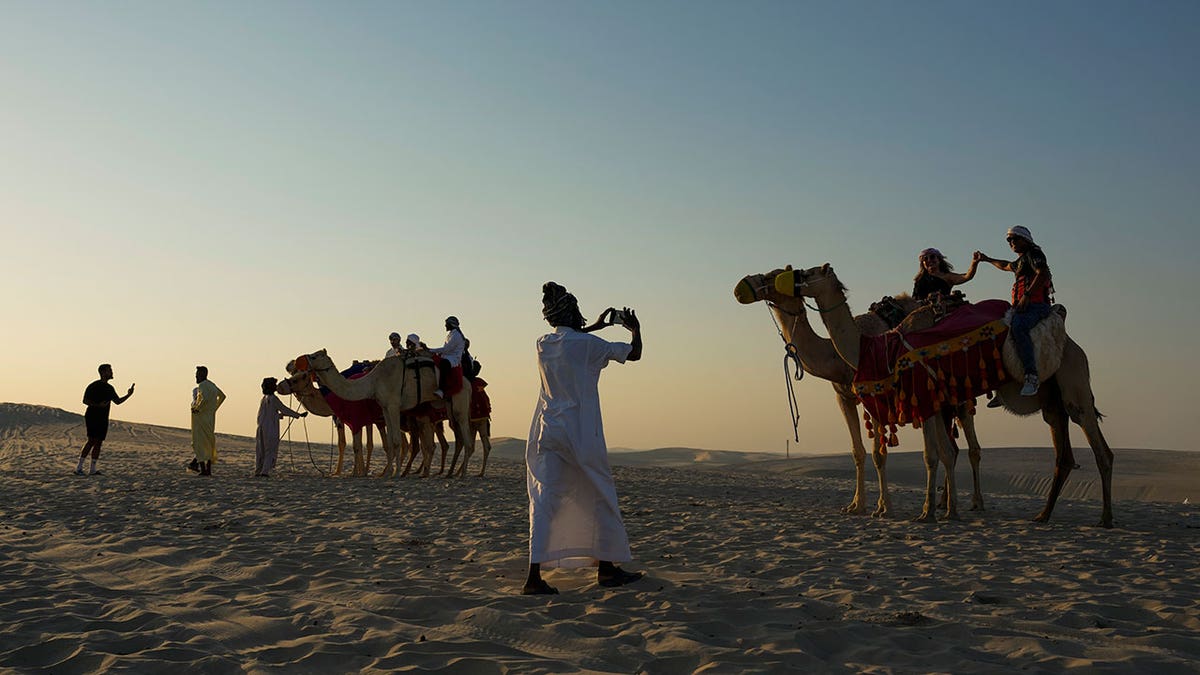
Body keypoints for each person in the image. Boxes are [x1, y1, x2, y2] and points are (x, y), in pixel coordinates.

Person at [523, 282, 644, 595]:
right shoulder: (591, 345)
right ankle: (606, 569)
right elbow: (635, 355)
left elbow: (569, 337)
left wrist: (595, 325)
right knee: (601, 493)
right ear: (571, 311)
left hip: (547, 430)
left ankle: (533, 577)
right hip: (581, 430)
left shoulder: (543, 343)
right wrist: (634, 329)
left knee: (544, 500)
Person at [975, 225, 1054, 398]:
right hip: (1021, 307)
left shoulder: (1034, 254)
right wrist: (987, 259)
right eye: (1009, 240)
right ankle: (1003, 385)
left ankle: (1031, 376)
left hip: (1036, 306)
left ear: (1025, 239)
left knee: (1018, 327)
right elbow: (1005, 265)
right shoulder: (1021, 261)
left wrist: (1026, 295)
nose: (1011, 242)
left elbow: (1042, 274)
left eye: (1014, 238)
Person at [75, 364, 134, 475]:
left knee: (99, 442)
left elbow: (117, 401)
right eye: (109, 371)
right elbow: (85, 400)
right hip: (92, 416)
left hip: (103, 418)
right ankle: (79, 467)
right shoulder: (94, 386)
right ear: (103, 372)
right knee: (91, 440)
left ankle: (92, 469)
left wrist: (128, 395)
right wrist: (98, 405)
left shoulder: (109, 388)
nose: (111, 372)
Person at [254, 377, 306, 477]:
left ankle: (258, 470)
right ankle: (264, 472)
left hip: (261, 427)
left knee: (261, 449)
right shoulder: (273, 399)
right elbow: (284, 409)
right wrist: (297, 415)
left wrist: (279, 416)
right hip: (270, 428)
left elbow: (267, 414)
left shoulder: (264, 399)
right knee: (270, 449)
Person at [190, 365, 226, 476]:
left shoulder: (202, 386)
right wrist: (214, 408)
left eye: (197, 375)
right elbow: (222, 396)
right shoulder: (212, 385)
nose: (196, 377)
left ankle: (203, 469)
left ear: (202, 375)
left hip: (200, 419)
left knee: (199, 443)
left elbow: (203, 399)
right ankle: (208, 469)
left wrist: (197, 408)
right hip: (210, 419)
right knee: (209, 443)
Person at [912, 247, 979, 301]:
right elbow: (914, 299)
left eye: (932, 257)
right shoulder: (919, 280)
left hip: (943, 310)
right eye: (925, 259)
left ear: (939, 260)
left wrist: (974, 263)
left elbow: (967, 276)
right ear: (923, 264)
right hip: (920, 312)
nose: (929, 260)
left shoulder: (947, 277)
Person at [428, 316, 467, 398]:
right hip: (448, 356)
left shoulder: (456, 336)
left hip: (453, 360)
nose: (445, 326)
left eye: (446, 324)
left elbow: (446, 349)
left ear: (451, 324)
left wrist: (430, 350)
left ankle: (442, 389)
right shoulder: (451, 334)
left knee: (443, 364)